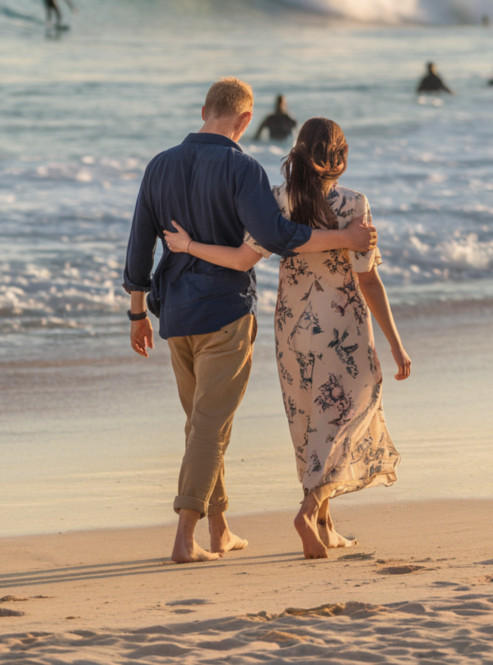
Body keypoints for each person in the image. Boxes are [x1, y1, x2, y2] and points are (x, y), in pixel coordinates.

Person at [124, 79, 377, 565]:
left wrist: (137, 311)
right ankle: (184, 538)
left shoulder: (159, 165)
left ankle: (219, 531)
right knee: (209, 426)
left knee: (202, 422)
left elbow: (139, 244)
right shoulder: (242, 168)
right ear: (244, 120)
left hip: (173, 311)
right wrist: (344, 236)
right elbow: (276, 235)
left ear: (204, 110)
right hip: (225, 313)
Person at [165, 117, 411, 560]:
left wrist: (188, 247)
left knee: (310, 420)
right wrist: (394, 341)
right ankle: (309, 508)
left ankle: (326, 526)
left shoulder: (277, 201)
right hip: (342, 327)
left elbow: (241, 260)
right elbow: (368, 280)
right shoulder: (354, 203)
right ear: (340, 156)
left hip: (292, 326)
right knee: (353, 412)